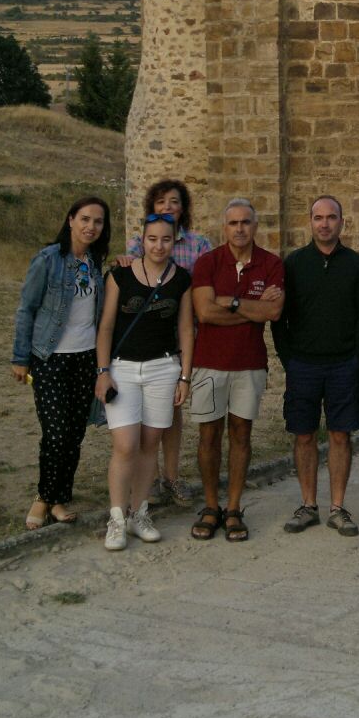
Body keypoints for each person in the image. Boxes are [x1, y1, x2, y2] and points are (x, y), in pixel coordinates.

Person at [94, 213, 195, 551]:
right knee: (125, 445)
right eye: (152, 239)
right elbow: (106, 326)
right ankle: (117, 517)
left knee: (150, 443)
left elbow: (185, 329)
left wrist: (184, 375)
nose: (159, 245)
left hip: (162, 368)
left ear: (174, 240)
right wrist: (103, 370)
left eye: (166, 239)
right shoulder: (120, 276)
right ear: (142, 240)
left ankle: (140, 513)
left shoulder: (181, 279)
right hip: (123, 368)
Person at [11, 195, 111, 530]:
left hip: (85, 358)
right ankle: (43, 498)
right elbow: (26, 308)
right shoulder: (48, 260)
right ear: (70, 220)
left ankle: (58, 498)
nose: (90, 227)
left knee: (74, 433)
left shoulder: (97, 264)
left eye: (97, 221)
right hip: (50, 358)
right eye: (84, 219)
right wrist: (20, 358)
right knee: (54, 433)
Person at [188, 197, 284, 541]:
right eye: (233, 223)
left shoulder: (270, 264)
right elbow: (204, 313)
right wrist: (251, 307)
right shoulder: (208, 262)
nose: (240, 228)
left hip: (249, 363)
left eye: (246, 222)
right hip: (208, 363)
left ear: (256, 227)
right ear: (223, 227)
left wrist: (229, 301)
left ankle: (233, 508)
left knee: (241, 434)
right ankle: (211, 506)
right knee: (209, 435)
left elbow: (273, 314)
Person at [276, 196, 359, 538]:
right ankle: (307, 505)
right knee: (303, 435)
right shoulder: (295, 263)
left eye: (331, 217)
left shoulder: (355, 265)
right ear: (310, 221)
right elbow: (279, 318)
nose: (325, 224)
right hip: (303, 363)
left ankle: (337, 507)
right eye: (319, 217)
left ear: (341, 222)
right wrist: (288, 357)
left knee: (340, 434)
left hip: (343, 364)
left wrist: (356, 354)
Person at [120, 179, 212, 506]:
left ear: (183, 207)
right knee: (146, 415)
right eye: (161, 202)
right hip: (146, 339)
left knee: (171, 411)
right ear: (152, 207)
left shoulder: (200, 244)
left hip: (180, 337)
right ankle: (152, 477)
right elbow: (128, 278)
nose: (167, 207)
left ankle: (171, 476)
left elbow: (204, 287)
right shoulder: (137, 244)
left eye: (174, 201)